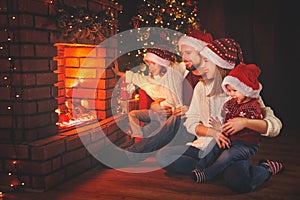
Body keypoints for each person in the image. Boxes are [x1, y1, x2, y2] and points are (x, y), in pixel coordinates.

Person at [156, 38, 283, 193]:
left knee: (239, 183)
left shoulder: (243, 91)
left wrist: (245, 123)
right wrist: (213, 133)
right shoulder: (201, 88)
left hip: (231, 150)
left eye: (206, 61)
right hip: (204, 147)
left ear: (222, 65)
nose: (201, 66)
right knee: (163, 157)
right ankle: (214, 169)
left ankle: (265, 168)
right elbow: (191, 122)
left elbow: (274, 125)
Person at [100, 30, 214, 165]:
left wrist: (189, 111)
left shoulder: (207, 76)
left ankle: (130, 154)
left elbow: (214, 109)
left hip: (194, 127)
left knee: (175, 119)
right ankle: (129, 149)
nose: (183, 57)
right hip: (178, 123)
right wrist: (155, 105)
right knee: (163, 126)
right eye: (183, 53)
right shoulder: (188, 73)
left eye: (188, 53)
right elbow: (151, 84)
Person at [191, 63, 283, 183]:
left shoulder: (253, 107)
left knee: (228, 157)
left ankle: (207, 175)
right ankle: (200, 168)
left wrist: (245, 123)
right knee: (213, 145)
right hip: (230, 140)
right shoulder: (233, 101)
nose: (231, 94)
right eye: (229, 91)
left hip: (244, 145)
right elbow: (228, 120)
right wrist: (219, 128)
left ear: (246, 89)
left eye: (234, 90)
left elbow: (266, 125)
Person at [113, 47, 184, 143]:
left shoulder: (173, 73)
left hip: (172, 115)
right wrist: (118, 73)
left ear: (162, 63)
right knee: (133, 114)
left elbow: (183, 65)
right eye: (149, 65)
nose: (151, 68)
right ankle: (137, 138)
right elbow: (135, 77)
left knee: (157, 130)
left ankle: (140, 145)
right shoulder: (150, 80)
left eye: (153, 64)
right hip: (156, 114)